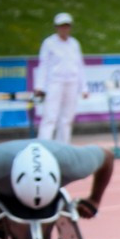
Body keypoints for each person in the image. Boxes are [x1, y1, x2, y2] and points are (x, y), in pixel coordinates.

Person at [35, 12, 87, 144]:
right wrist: (39, 86)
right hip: (55, 82)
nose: (64, 29)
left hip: (71, 82)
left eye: (67, 26)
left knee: (67, 118)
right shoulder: (49, 43)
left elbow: (80, 66)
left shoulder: (74, 44)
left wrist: (84, 87)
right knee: (50, 116)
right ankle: (43, 145)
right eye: (61, 26)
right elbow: (44, 65)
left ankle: (63, 145)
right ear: (56, 27)